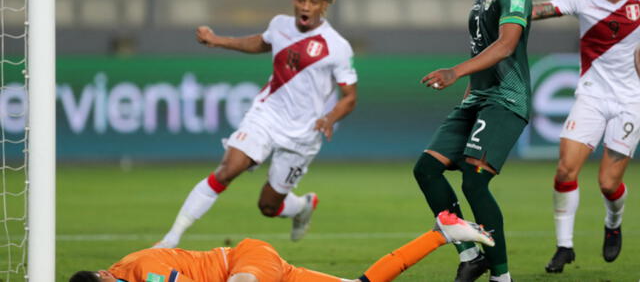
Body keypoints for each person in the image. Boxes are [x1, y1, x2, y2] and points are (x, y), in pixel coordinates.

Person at [154, 0, 358, 248]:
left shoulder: (337, 47)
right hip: (268, 115)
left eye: (313, 2)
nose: (305, 6)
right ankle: (170, 239)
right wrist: (218, 41)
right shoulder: (280, 25)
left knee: (268, 206)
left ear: (324, 5)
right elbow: (261, 43)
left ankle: (302, 207)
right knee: (228, 169)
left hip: (303, 133)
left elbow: (350, 96)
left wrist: (329, 117)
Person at [413, 0, 532, 282]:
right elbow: (483, 48)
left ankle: (501, 277)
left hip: (505, 100)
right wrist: (467, 94)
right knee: (427, 169)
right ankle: (470, 255)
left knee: (473, 180)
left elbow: (506, 44)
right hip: (477, 98)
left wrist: (455, 72)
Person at [531, 0, 640, 273]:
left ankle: (613, 221)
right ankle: (564, 247)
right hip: (591, 95)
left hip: (630, 101)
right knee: (565, 169)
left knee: (608, 183)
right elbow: (540, 10)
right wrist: (508, 10)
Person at [68, 211, 494, 282]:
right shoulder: (127, 272)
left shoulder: (143, 268)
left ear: (107, 275)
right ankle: (444, 233)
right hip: (270, 271)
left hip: (245, 261)